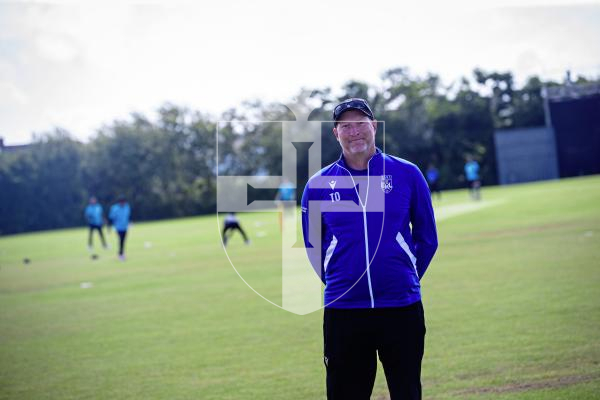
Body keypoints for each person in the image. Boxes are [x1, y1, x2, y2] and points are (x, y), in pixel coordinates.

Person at [301, 98, 438, 400]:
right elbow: (313, 245)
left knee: (407, 393)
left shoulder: (407, 174)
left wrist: (404, 276)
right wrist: (342, 282)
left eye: (360, 123)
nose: (354, 132)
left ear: (374, 126)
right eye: (345, 126)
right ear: (335, 134)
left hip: (401, 308)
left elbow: (428, 238)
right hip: (344, 312)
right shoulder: (319, 184)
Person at [108, 196, 131, 261]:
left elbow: (128, 216)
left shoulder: (127, 207)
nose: (123, 203)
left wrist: (129, 223)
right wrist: (109, 227)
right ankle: (121, 254)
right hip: (118, 227)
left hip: (125, 227)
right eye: (122, 202)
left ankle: (121, 253)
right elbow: (111, 218)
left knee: (123, 240)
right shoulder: (115, 208)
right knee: (121, 240)